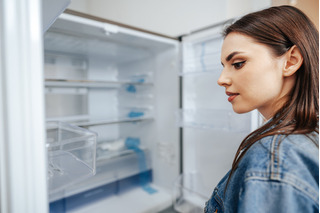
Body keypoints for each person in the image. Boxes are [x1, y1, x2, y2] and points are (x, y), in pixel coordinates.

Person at [204, 5, 319, 213]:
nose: (221, 79)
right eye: (223, 65)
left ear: (291, 62)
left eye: (238, 63)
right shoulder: (309, 132)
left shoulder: (275, 157)